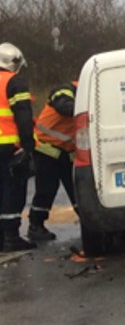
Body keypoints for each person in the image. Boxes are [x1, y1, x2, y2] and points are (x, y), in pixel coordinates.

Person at [26, 80, 77, 242]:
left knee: (77, 188)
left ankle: (90, 222)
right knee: (46, 189)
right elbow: (65, 107)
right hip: (46, 149)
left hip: (66, 151)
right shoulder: (64, 91)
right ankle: (35, 226)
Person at [0, 42, 37, 252]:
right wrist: (28, 145)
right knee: (12, 190)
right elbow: (23, 115)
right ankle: (11, 236)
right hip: (9, 147)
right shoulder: (14, 82)